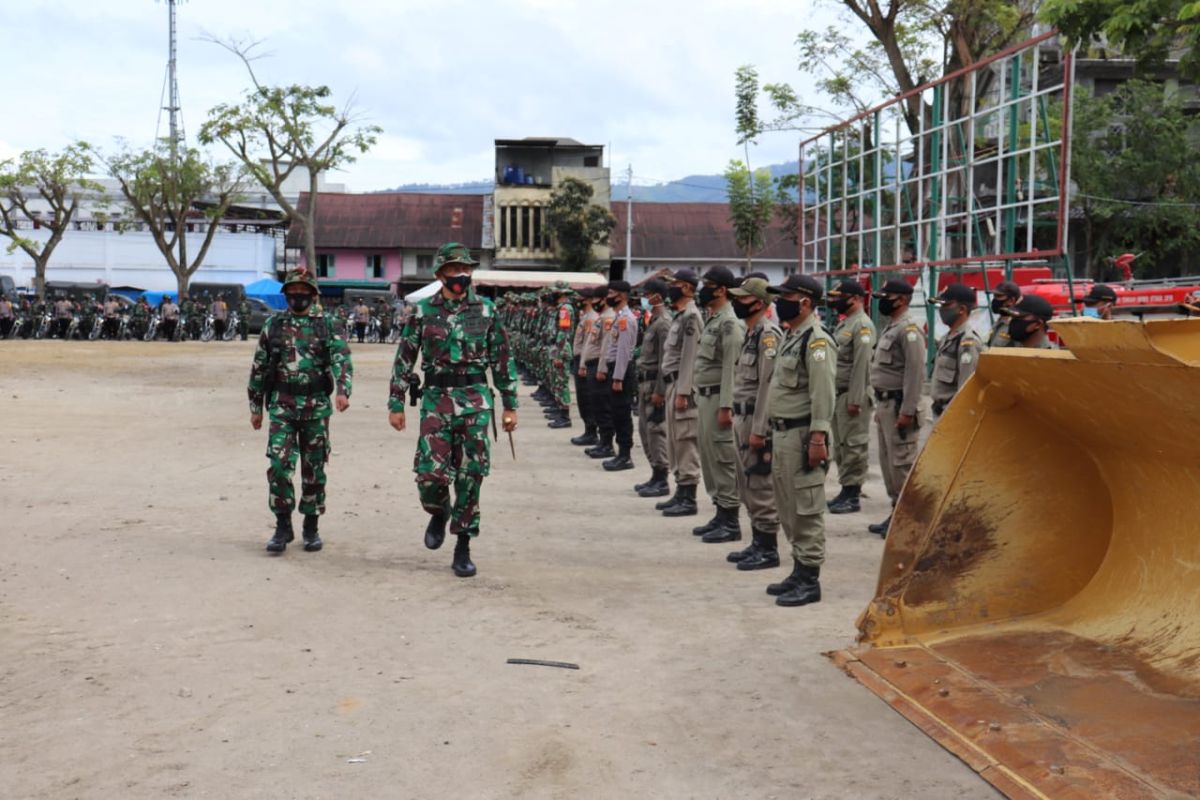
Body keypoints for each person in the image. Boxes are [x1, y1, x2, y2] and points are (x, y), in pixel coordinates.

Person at [388, 243, 518, 578]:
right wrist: (396, 402)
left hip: (475, 401)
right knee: (429, 475)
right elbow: (405, 357)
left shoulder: (487, 310)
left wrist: (510, 405)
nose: (462, 275)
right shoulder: (423, 312)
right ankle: (439, 510)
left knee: (470, 475)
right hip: (436, 400)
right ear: (440, 274)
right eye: (455, 270)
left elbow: (503, 361)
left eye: (466, 269)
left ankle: (463, 545)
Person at [248, 267, 353, 554]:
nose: (297, 297)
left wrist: (343, 390)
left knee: (313, 468)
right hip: (282, 406)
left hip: (316, 407)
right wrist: (256, 406)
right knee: (280, 466)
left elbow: (342, 359)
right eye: (292, 292)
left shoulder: (328, 324)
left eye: (303, 292)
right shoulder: (274, 325)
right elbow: (259, 367)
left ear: (313, 294)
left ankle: (311, 524)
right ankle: (283, 525)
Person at [763, 275, 835, 606]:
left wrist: (818, 437)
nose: (779, 303)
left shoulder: (817, 342)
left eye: (786, 297)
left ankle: (810, 579)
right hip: (783, 433)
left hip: (804, 434)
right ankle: (798, 568)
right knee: (788, 505)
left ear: (805, 302)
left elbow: (823, 394)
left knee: (806, 508)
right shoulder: (793, 337)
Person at [724, 277, 783, 565]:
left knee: (760, 484)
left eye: (743, 298)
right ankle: (757, 541)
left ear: (759, 303)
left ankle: (768, 548)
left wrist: (760, 429)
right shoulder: (752, 334)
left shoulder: (768, 336)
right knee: (746, 482)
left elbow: (768, 387)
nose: (737, 302)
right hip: (742, 417)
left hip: (755, 422)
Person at [867, 278, 926, 538]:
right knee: (888, 464)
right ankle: (896, 512)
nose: (882, 301)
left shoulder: (909, 330)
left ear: (901, 299)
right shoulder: (892, 327)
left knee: (902, 465)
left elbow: (915, 373)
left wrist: (908, 411)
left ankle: (911, 520)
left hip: (900, 405)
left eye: (886, 296)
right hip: (885, 405)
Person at [690, 265, 745, 543]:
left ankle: (731, 520)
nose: (703, 290)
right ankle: (720, 511)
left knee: (723, 458)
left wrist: (726, 406)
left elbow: (730, 369)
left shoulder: (729, 323)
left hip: (718, 401)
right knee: (709, 457)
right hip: (706, 398)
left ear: (722, 290)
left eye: (708, 284)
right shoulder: (713, 319)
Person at [655, 268, 703, 517]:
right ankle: (680, 492)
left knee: (685, 441)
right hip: (673, 384)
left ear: (686, 287)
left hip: (683, 386)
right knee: (675, 440)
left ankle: (689, 497)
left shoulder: (691, 316)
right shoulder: (680, 315)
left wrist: (684, 390)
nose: (670, 288)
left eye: (674, 284)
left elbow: (690, 357)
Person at [825, 280, 876, 515]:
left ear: (855, 298)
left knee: (854, 444)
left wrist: (855, 398)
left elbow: (861, 365)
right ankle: (845, 489)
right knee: (842, 445)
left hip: (851, 396)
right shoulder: (845, 324)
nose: (836, 301)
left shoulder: (863, 326)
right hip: (839, 394)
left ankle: (853, 494)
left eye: (840, 296)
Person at [633, 278, 672, 497]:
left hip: (654, 385)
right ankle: (654, 474)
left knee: (656, 431)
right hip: (644, 384)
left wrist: (660, 390)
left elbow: (664, 361)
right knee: (646, 431)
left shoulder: (664, 322)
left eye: (647, 294)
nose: (644, 298)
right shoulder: (654, 320)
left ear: (657, 296)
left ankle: (662, 478)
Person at [597, 280, 639, 471]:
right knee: (615, 412)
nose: (608, 297)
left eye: (612, 293)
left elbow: (624, 351)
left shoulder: (626, 319)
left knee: (622, 414)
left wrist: (618, 378)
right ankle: (621, 453)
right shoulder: (618, 317)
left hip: (621, 371)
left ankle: (625, 456)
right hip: (616, 369)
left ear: (621, 296)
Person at [931, 284, 985, 418]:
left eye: (946, 305)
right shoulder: (947, 338)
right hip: (940, 412)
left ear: (961, 309)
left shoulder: (968, 343)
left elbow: (966, 389)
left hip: (952, 415)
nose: (941, 310)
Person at [584, 288, 618, 459]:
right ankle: (602, 442)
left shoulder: (608, 318)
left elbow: (606, 346)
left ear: (604, 299)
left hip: (598, 366)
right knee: (596, 405)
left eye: (596, 297)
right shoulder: (601, 318)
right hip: (592, 365)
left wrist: (602, 369)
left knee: (603, 407)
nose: (593, 301)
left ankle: (607, 444)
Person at [570, 288, 601, 446]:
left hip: (584, 362)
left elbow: (589, 344)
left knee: (586, 398)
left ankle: (591, 431)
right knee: (582, 398)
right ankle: (589, 430)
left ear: (588, 300)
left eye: (580, 298)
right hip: (579, 360)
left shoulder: (592, 318)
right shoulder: (586, 317)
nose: (577, 300)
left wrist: (582, 365)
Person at [547, 281, 577, 429]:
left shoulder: (565, 309)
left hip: (561, 349)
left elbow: (563, 332)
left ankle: (565, 416)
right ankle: (560, 411)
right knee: (557, 382)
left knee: (561, 383)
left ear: (561, 293)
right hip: (558, 348)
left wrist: (558, 354)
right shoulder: (561, 308)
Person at [987, 281, 1021, 348]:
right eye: (994, 296)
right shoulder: (999, 322)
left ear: (1011, 300)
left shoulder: (1016, 325)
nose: (995, 300)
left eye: (999, 296)